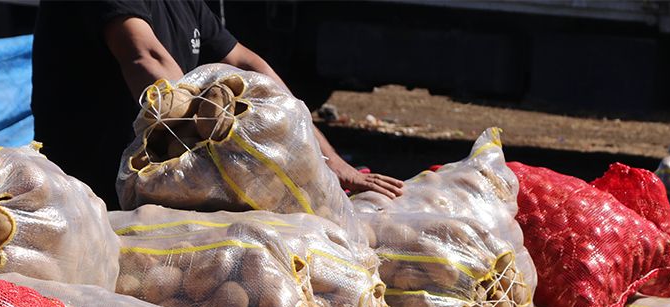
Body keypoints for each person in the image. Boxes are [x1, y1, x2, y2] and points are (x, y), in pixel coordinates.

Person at [31, 0, 403, 207]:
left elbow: (247, 65)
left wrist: (328, 160)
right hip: (92, 200)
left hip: (151, 200)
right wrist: (224, 159)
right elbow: (146, 57)